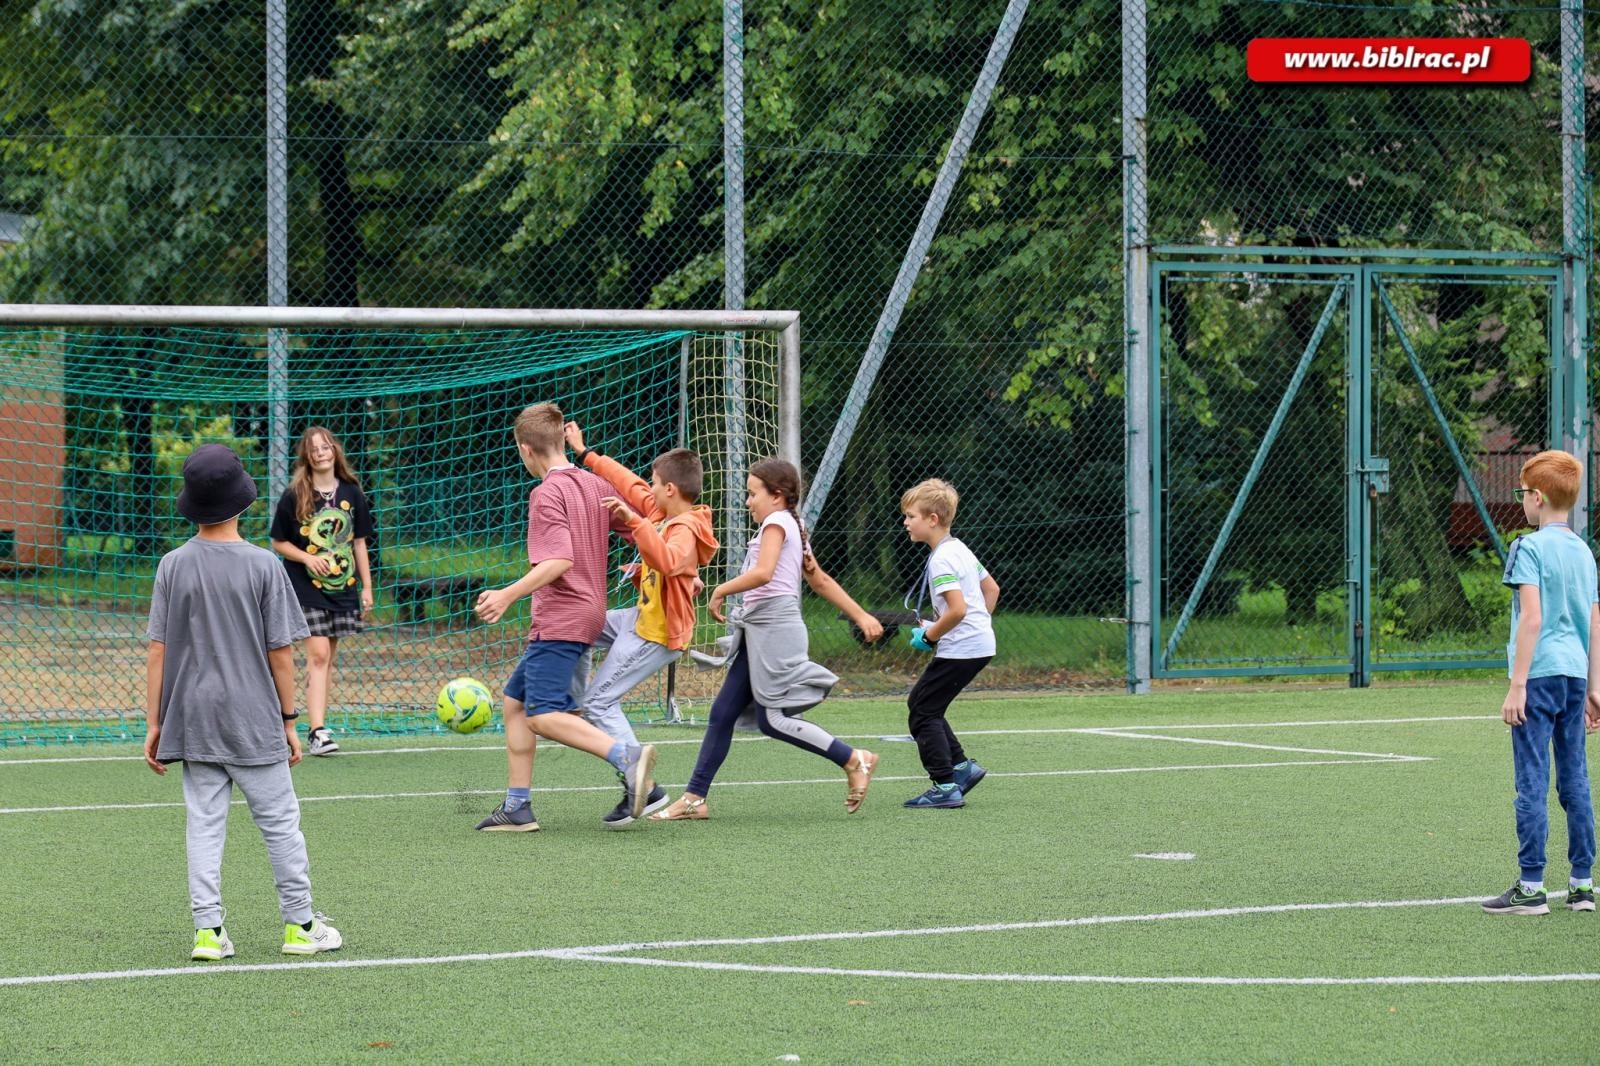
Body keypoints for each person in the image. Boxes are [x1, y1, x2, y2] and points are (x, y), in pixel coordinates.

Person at [144, 443, 342, 960]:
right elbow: (281, 654)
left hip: (193, 718)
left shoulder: (171, 565)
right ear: (242, 502)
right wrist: (291, 720)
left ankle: (208, 933)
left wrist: (154, 723)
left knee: (203, 826)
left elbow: (157, 652)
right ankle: (300, 926)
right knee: (280, 823)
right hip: (254, 717)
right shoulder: (263, 567)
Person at [650, 458, 885, 821]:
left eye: (752, 493)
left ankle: (853, 758)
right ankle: (695, 799)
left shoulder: (777, 522)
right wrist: (861, 614)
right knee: (723, 713)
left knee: (771, 720)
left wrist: (720, 591)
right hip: (761, 629)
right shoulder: (791, 522)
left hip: (776, 628)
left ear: (776, 496)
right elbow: (818, 580)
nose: (747, 502)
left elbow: (763, 573)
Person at [472, 403, 658, 832]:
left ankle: (628, 758)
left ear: (525, 449)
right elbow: (646, 529)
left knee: (542, 713)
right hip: (589, 614)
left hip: (562, 618)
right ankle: (517, 807)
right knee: (515, 703)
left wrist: (507, 594)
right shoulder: (594, 486)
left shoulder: (546, 493)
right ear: (559, 441)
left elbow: (558, 560)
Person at [565, 421, 718, 828]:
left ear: (670, 489)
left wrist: (635, 524)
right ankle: (573, 703)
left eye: (655, 483)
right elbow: (629, 484)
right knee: (581, 622)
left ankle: (646, 788)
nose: (647, 488)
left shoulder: (685, 527)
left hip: (658, 632)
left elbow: (669, 560)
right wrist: (585, 454)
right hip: (641, 618)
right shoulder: (661, 510)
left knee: (602, 702)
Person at [1482, 449, 1600, 915]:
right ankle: (1582, 884)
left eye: (1522, 494)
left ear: (1537, 497)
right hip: (1574, 676)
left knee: (1530, 777)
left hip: (1541, 674)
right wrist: (1596, 686)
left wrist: (1517, 684)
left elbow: (1531, 619)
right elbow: (1594, 621)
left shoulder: (1526, 548)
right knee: (1575, 779)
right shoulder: (1584, 551)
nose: (1522, 502)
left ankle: (1531, 886)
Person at [269, 426, 374, 756]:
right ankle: (316, 731)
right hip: (305, 586)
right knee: (317, 655)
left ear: (334, 450)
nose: (320, 452)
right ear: (307, 455)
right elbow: (278, 541)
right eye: (313, 448)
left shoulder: (352, 493)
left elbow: (359, 543)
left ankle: (319, 724)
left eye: (325, 446)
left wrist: (367, 588)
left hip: (343, 588)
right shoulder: (296, 493)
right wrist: (307, 559)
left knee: (327, 660)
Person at [898, 478, 1000, 809]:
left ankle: (944, 786)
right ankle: (961, 768)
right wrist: (969, 626)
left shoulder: (942, 558)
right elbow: (991, 590)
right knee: (930, 705)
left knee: (921, 709)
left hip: (965, 648)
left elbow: (957, 609)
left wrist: (931, 635)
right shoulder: (960, 549)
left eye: (911, 515)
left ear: (933, 519)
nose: (906, 522)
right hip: (976, 643)